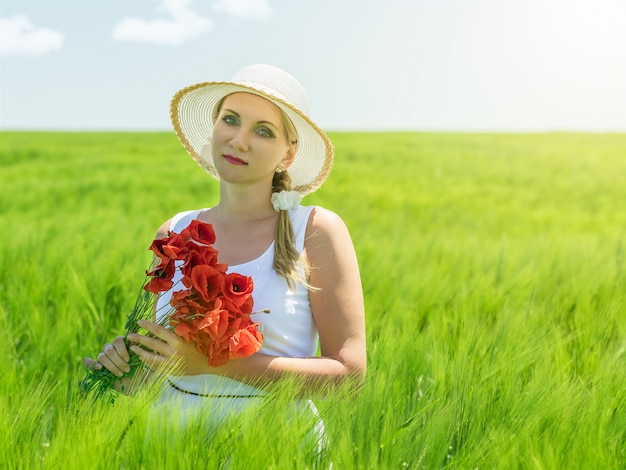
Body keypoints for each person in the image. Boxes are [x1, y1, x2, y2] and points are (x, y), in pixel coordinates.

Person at [83, 64, 366, 444]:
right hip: (172, 439)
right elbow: (163, 367)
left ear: (288, 153)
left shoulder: (314, 230)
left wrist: (218, 363)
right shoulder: (176, 232)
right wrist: (128, 367)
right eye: (230, 120)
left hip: (276, 444)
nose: (239, 140)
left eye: (263, 131)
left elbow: (349, 377)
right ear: (214, 126)